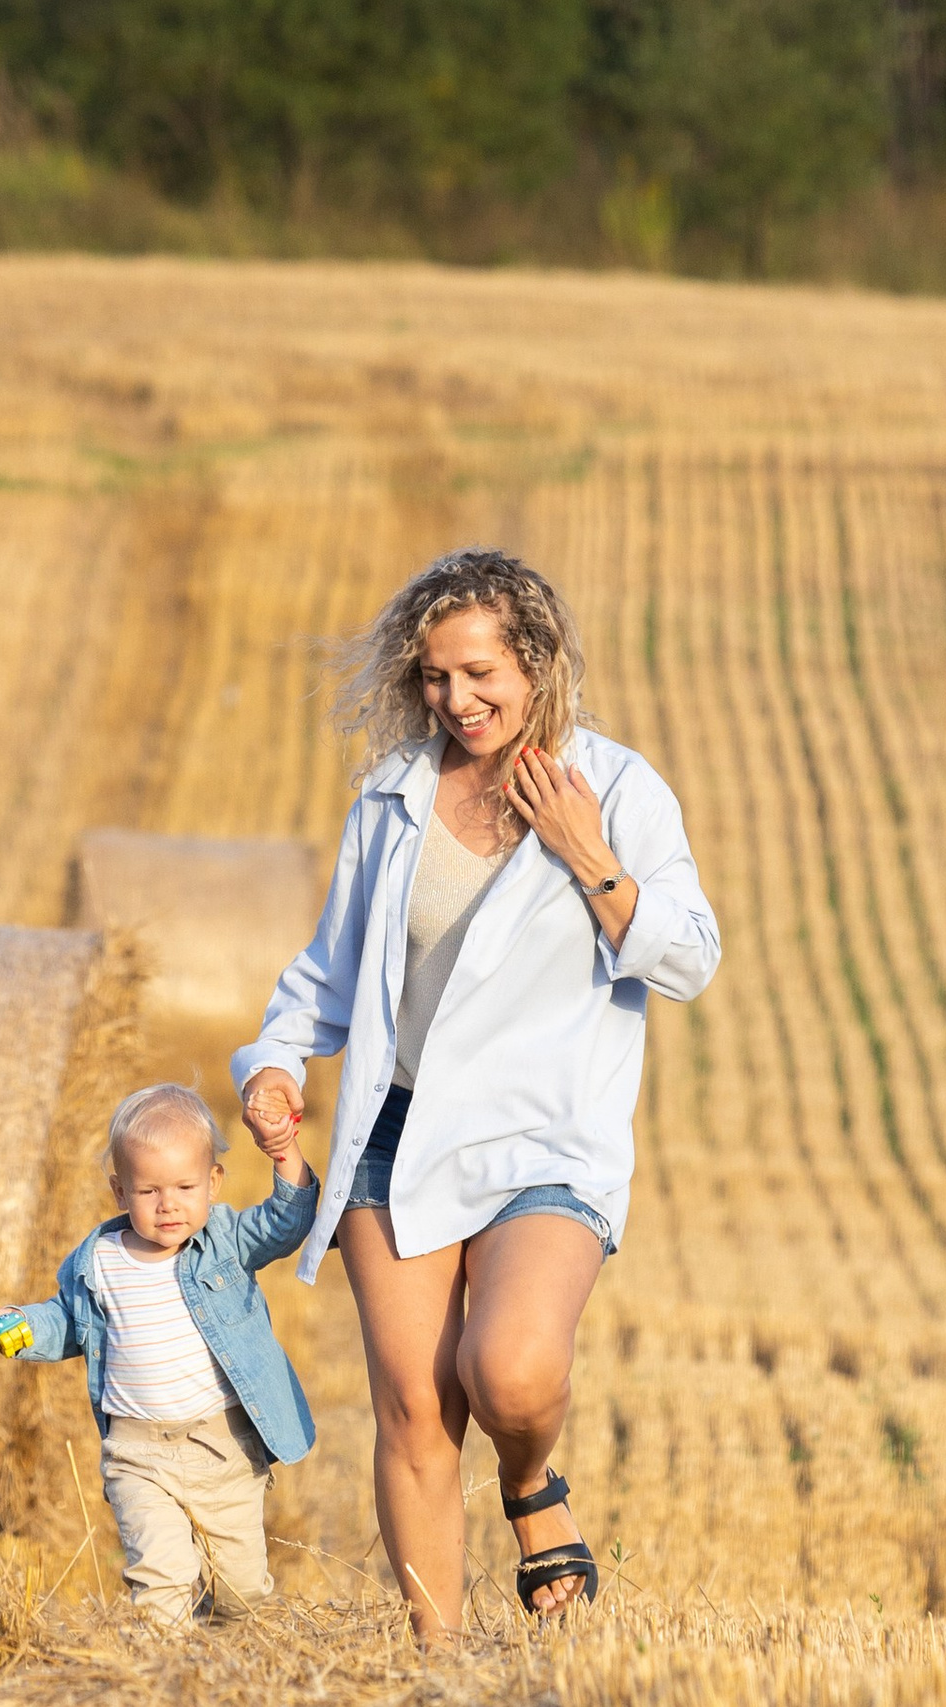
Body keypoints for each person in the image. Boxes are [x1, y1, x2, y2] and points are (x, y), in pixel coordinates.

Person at [234, 548, 719, 1636]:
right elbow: (330, 969)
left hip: (541, 1137)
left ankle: (529, 1485)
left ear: (537, 663)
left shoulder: (621, 789)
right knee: (413, 1408)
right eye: (436, 679)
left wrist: (590, 856)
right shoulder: (393, 795)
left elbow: (689, 958)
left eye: (479, 673)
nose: (457, 701)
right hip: (391, 1134)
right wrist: (272, 1061)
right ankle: (433, 1667)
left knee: (506, 1371)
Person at [0, 1083, 317, 1625]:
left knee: (242, 1593)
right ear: (120, 1191)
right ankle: (163, 1671)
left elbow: (286, 1223)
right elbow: (67, 1322)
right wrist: (19, 1326)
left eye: (186, 1186)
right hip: (138, 1455)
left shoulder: (225, 1241)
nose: (169, 1205)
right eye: (149, 1191)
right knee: (160, 1585)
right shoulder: (100, 1261)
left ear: (213, 1182)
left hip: (224, 1448)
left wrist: (285, 1154)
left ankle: (217, 1663)